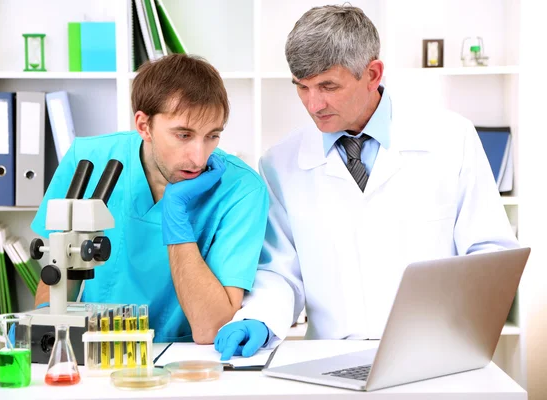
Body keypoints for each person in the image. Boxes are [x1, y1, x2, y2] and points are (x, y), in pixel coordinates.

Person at [214, 5, 519, 359]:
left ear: (372, 74)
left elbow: (491, 252)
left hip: (437, 353)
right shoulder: (279, 164)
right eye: (302, 87)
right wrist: (259, 318)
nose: (314, 104)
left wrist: (461, 334)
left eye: (328, 86)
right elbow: (280, 272)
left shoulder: (452, 139)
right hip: (331, 356)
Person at [31, 54, 269, 344]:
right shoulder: (87, 159)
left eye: (212, 136)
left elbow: (211, 328)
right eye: (184, 135)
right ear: (144, 126)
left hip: (187, 358)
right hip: (96, 348)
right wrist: (46, 322)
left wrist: (175, 212)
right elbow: (57, 269)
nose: (199, 157)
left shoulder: (242, 189)